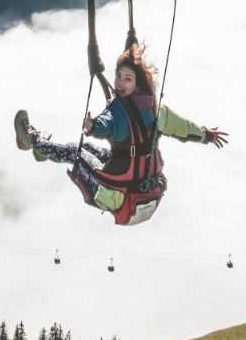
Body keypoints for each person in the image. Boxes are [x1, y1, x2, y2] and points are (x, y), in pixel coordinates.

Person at [14, 38, 226, 225]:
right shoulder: (156, 109)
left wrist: (93, 126)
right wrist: (206, 135)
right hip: (144, 194)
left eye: (127, 79)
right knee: (90, 148)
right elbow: (183, 127)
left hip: (115, 195)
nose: (119, 83)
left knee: (74, 151)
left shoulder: (118, 112)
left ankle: (32, 141)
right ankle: (44, 151)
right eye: (118, 77)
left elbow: (108, 123)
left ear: (137, 84)